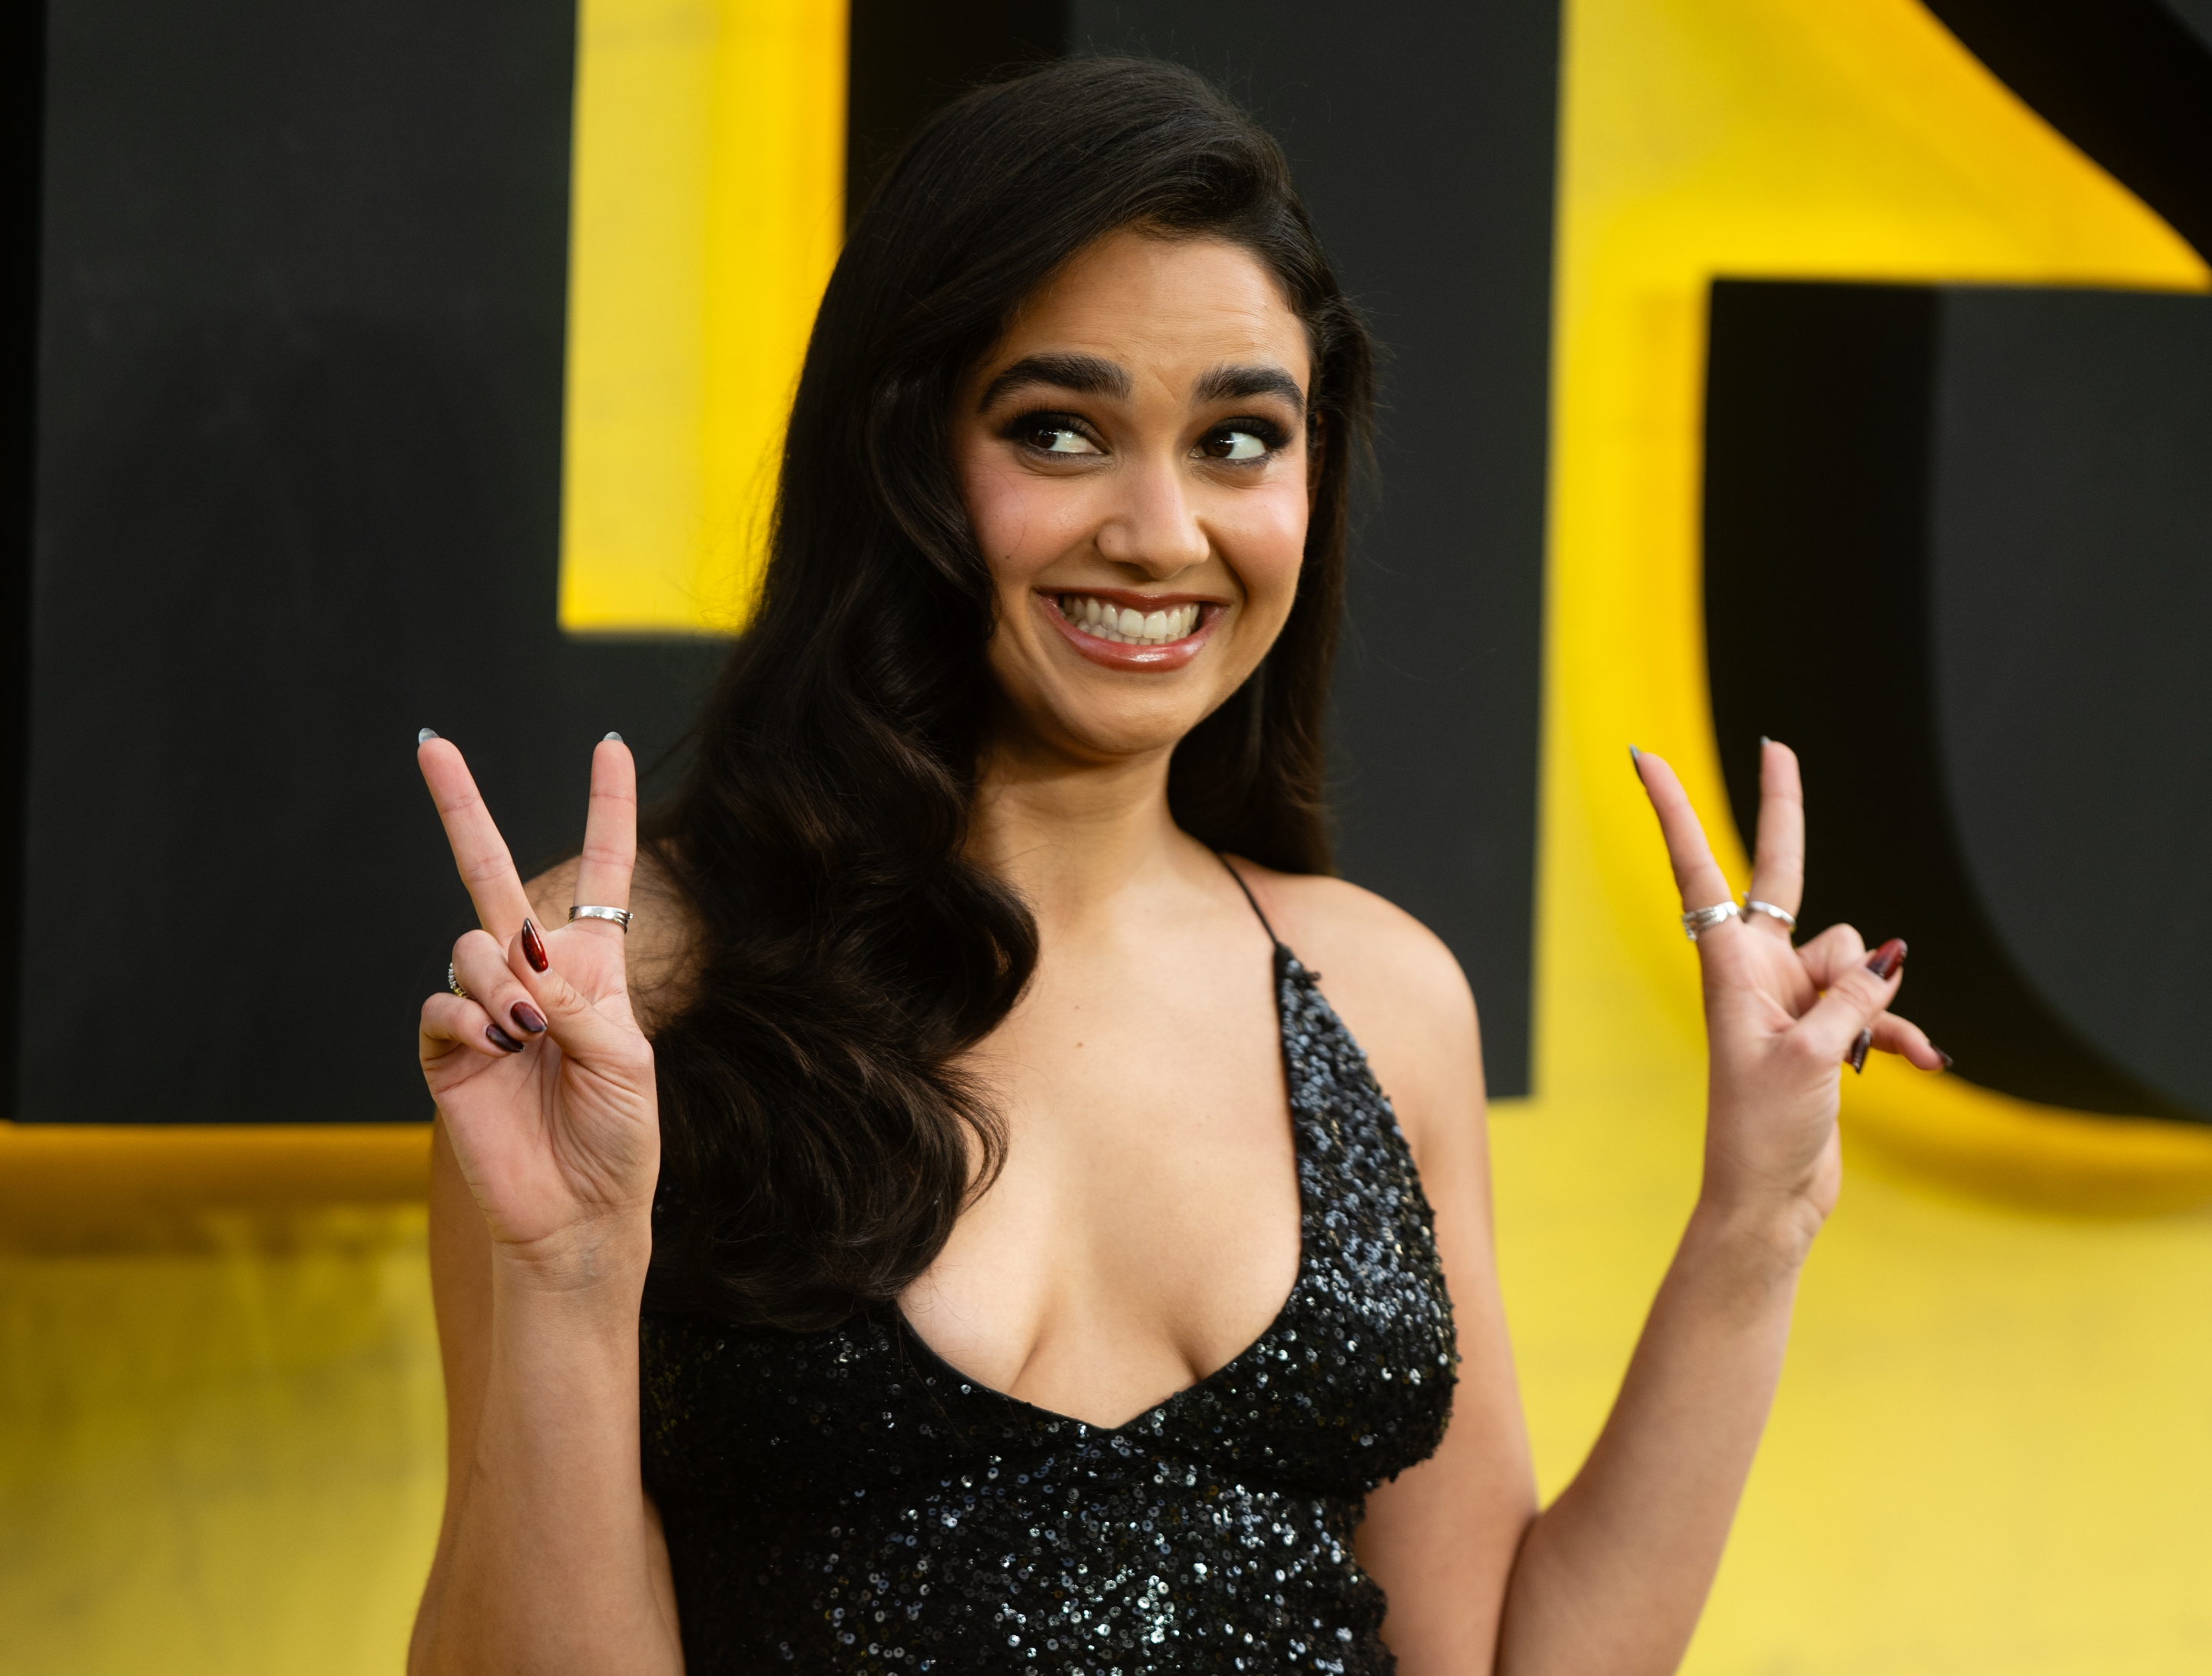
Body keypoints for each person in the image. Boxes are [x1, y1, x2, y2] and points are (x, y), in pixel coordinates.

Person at [406, 58, 1945, 1676]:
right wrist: (565, 1276)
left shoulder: (1385, 996)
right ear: (905, 454)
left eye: (1237, 439)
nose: (1160, 531)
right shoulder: (621, 1003)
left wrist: (1756, 1215)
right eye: (1062, 431)